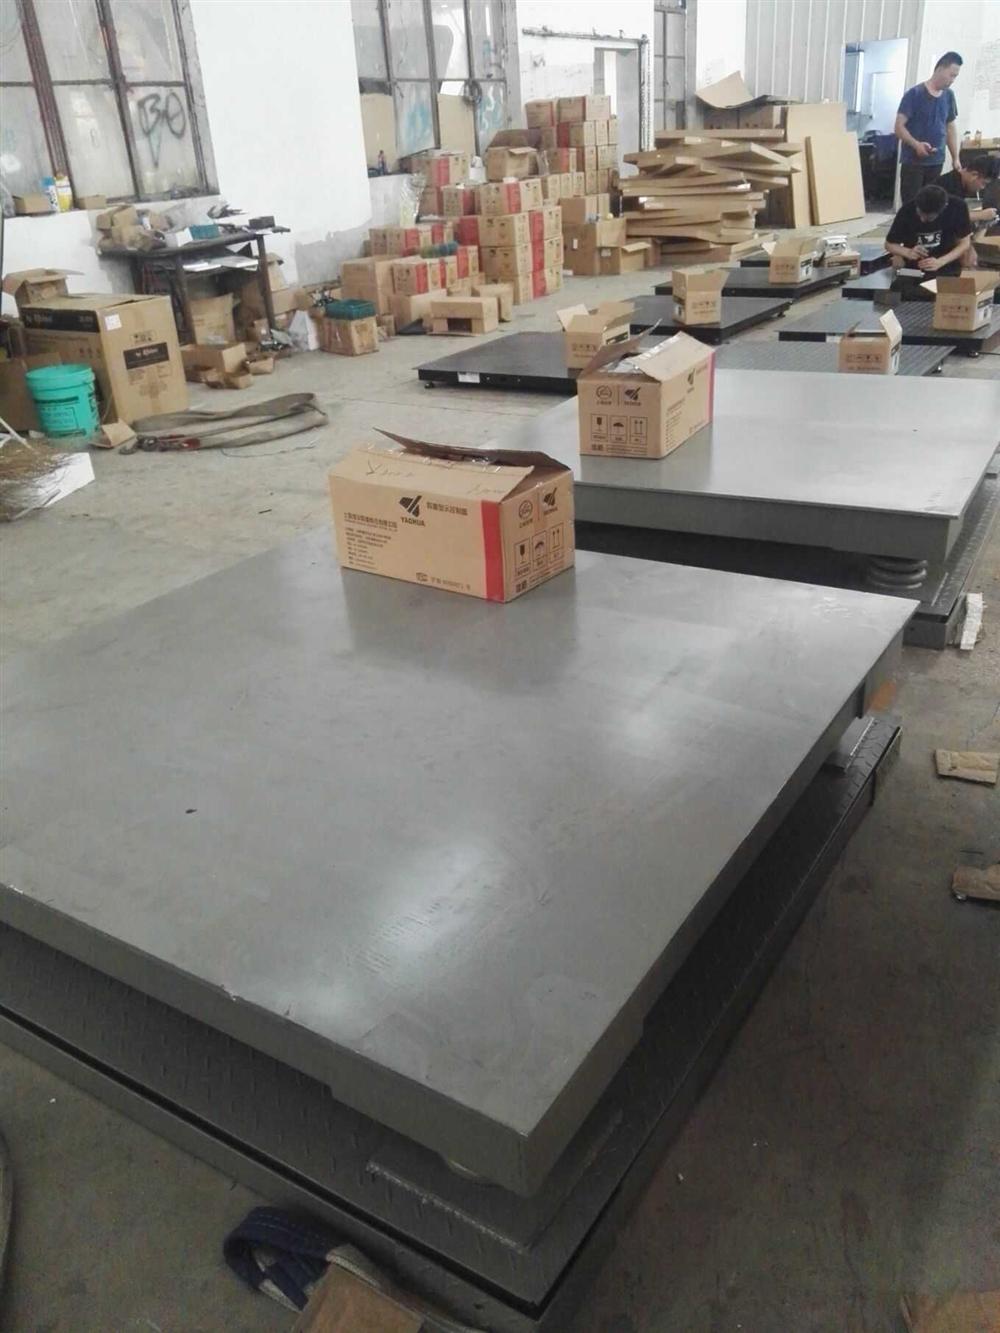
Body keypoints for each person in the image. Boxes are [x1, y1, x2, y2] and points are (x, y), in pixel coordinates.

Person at [895, 52, 963, 203]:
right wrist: (916, 145)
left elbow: (950, 127)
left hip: (936, 162)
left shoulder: (949, 96)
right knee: (912, 205)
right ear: (940, 69)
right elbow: (899, 127)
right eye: (951, 75)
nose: (952, 80)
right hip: (913, 163)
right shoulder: (914, 94)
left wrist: (955, 158)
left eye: (955, 77)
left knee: (932, 204)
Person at [884, 183, 972, 275]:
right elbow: (889, 244)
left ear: (942, 209)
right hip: (914, 267)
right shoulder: (906, 210)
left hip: (946, 262)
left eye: (928, 218)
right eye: (920, 214)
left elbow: (965, 243)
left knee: (947, 281)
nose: (922, 219)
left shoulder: (958, 207)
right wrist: (907, 252)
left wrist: (941, 262)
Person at [937, 156, 1000, 228]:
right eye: (984, 183)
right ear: (974, 175)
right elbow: (947, 217)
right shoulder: (950, 186)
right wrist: (981, 215)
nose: (983, 188)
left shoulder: (958, 181)